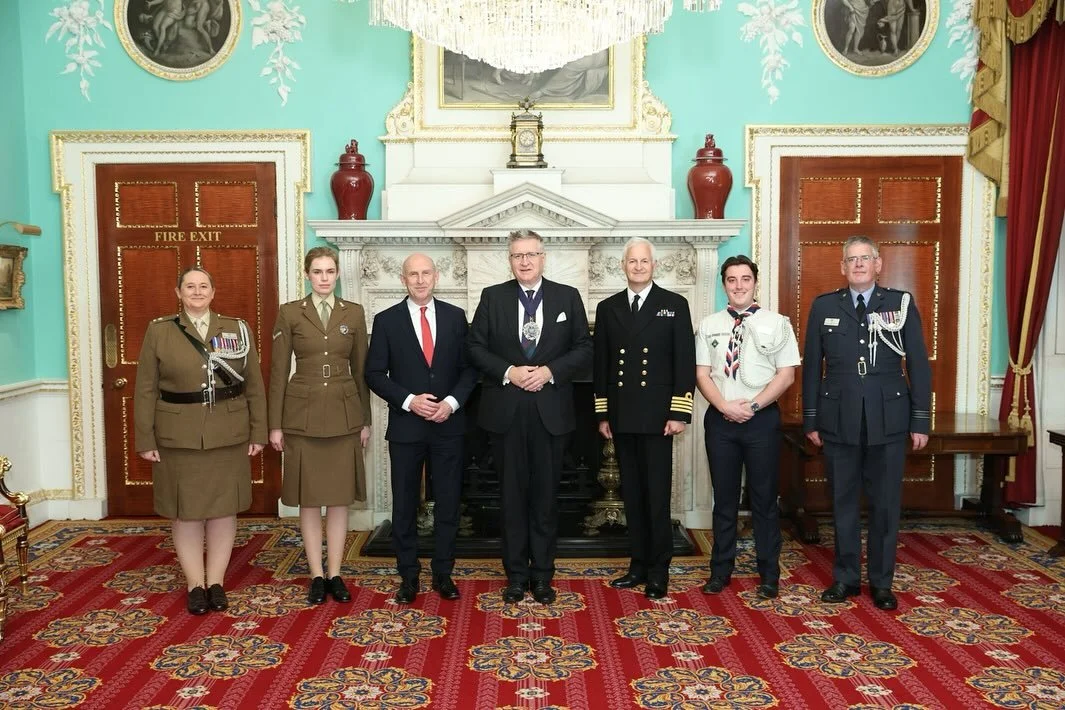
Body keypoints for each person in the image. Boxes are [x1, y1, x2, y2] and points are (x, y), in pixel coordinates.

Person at [803, 236, 931, 611]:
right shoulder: (824, 305)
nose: (858, 265)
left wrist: (920, 420)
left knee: (886, 505)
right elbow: (813, 367)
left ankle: (881, 583)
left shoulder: (899, 303)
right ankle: (845, 579)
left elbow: (918, 366)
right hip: (838, 419)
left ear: (878, 263)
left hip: (888, 420)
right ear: (842, 267)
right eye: (851, 260)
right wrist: (811, 418)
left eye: (865, 258)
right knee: (842, 503)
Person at [468, 229, 592, 605]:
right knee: (511, 498)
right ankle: (516, 576)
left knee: (544, 498)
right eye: (517, 255)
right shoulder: (493, 297)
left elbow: (584, 347)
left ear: (543, 257)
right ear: (510, 260)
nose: (524, 261)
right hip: (506, 413)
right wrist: (510, 371)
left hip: (550, 412)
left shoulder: (566, 297)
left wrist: (549, 371)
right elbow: (474, 346)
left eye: (531, 254)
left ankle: (543, 576)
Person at [134, 267, 267, 615]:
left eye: (203, 286)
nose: (197, 292)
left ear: (213, 291)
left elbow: (253, 384)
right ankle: (195, 584)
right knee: (186, 513)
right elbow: (146, 389)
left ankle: (217, 582)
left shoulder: (237, 329)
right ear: (178, 292)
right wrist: (145, 437)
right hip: (179, 436)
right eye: (189, 286)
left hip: (228, 433)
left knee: (224, 510)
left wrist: (259, 431)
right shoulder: (159, 331)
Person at [366, 254, 479, 604]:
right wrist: (409, 400)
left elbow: (469, 370)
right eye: (412, 274)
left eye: (425, 273)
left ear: (436, 276)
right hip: (406, 427)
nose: (419, 280)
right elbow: (373, 374)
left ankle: (443, 572)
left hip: (448, 424)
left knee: (448, 502)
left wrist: (451, 403)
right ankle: (409, 575)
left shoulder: (455, 317)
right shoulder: (386, 320)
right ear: (403, 280)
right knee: (404, 503)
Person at [594, 237, 695, 600]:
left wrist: (679, 412)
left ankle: (659, 569)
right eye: (632, 261)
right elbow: (602, 364)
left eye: (644, 261)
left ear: (655, 265)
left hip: (658, 418)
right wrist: (603, 413)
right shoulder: (608, 308)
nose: (638, 267)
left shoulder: (674, 304)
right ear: (623, 266)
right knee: (631, 495)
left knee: (656, 495)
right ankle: (637, 564)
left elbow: (684, 361)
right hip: (622, 415)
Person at [268, 247, 371, 605]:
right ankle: (315, 574)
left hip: (344, 415)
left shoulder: (353, 314)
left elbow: (361, 372)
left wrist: (364, 422)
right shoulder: (290, 313)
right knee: (310, 500)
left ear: (338, 274)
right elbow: (279, 371)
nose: (324, 278)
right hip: (303, 415)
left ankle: (336, 572)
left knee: (340, 499)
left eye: (330, 271)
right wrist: (275, 425)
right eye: (317, 271)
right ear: (307, 275)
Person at [695, 255, 800, 600]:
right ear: (723, 284)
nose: (738, 285)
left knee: (764, 500)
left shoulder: (778, 323)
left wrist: (752, 406)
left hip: (761, 421)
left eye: (745, 279)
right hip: (721, 420)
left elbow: (786, 375)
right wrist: (724, 406)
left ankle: (768, 573)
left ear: (756, 282)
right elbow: (701, 374)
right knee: (723, 500)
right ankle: (720, 571)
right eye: (731, 280)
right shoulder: (709, 324)